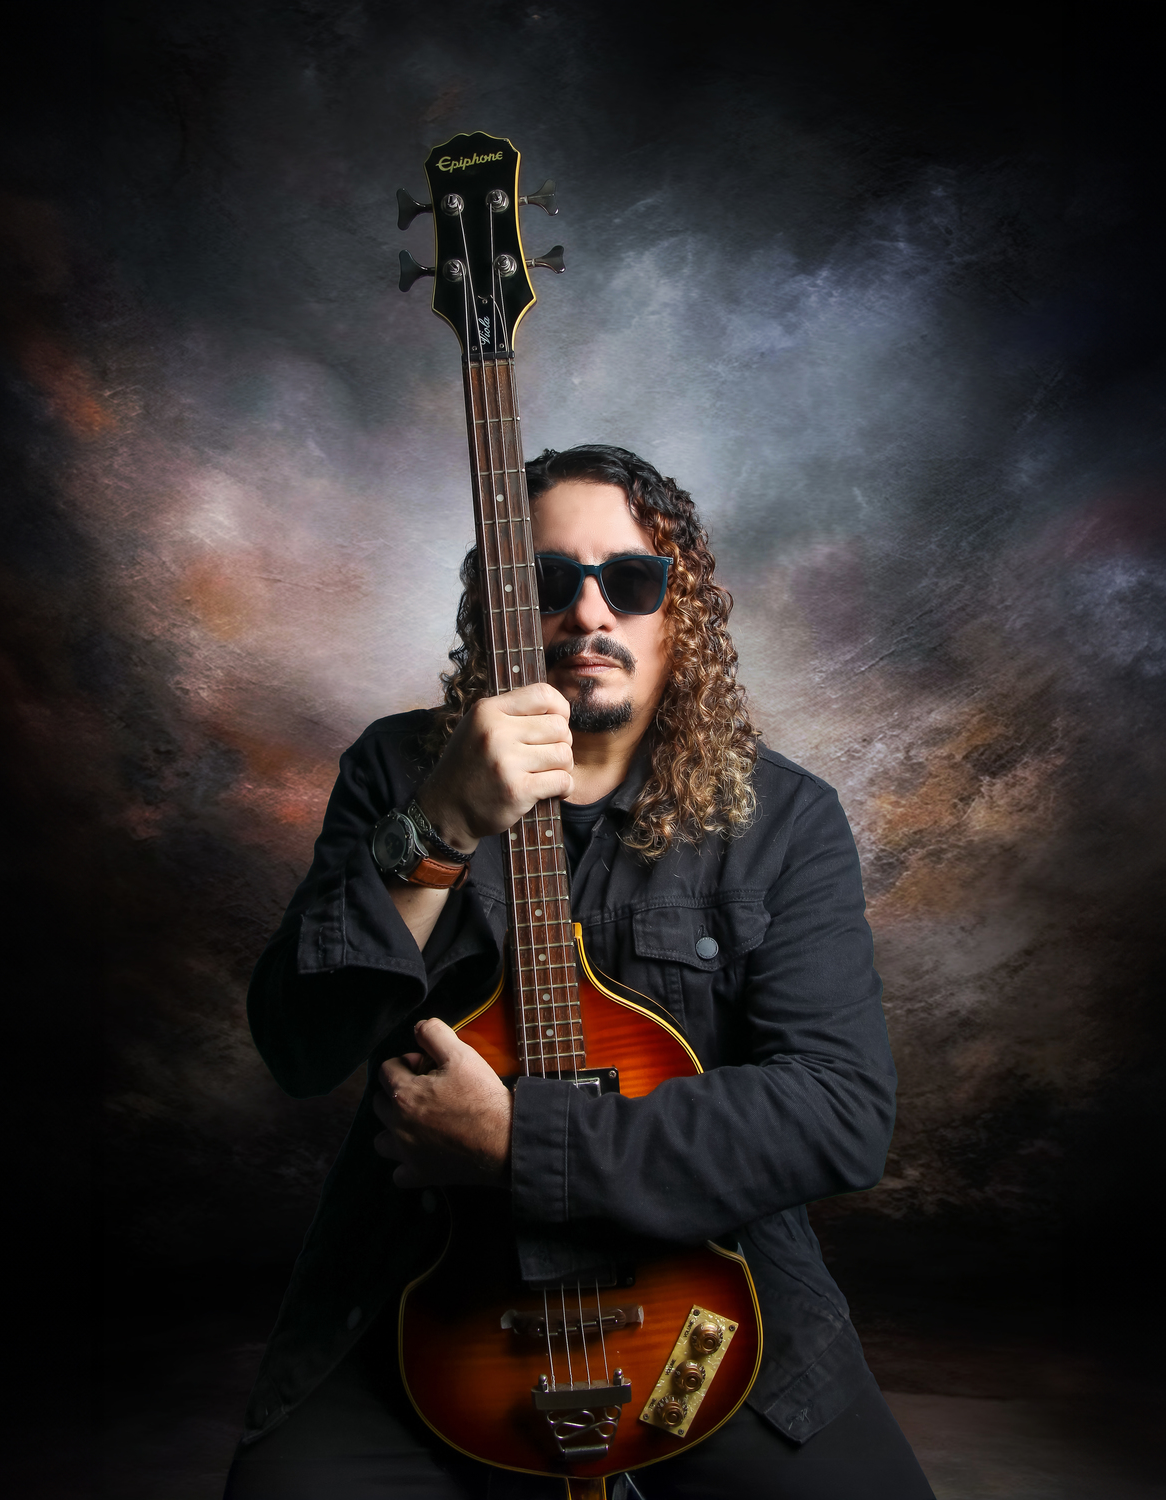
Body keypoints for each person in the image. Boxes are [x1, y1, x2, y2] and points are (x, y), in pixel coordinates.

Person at [223, 446, 934, 1499]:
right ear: (501, 608)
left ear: (680, 616)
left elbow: (838, 1112)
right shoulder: (398, 770)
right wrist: (441, 823)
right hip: (425, 1289)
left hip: (712, 1290)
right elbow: (299, 1046)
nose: (589, 612)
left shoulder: (786, 820)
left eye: (632, 581)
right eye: (550, 579)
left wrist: (520, 1140)